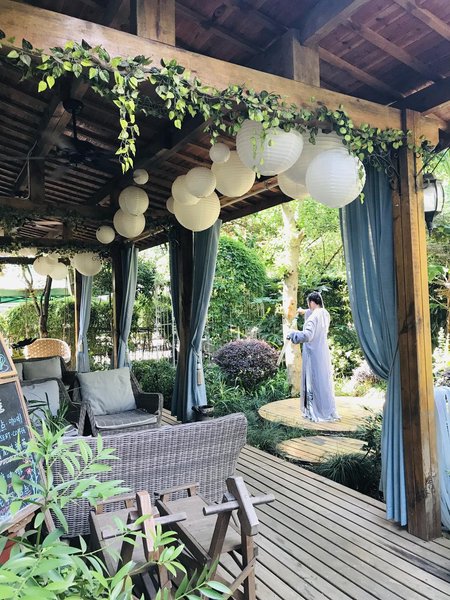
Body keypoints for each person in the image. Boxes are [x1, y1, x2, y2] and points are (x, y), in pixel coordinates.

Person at [287, 292, 339, 422]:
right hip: (322, 352)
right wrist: (303, 311)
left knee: (313, 381)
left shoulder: (313, 317)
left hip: (313, 354)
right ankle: (325, 409)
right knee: (323, 381)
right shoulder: (324, 314)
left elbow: (307, 336)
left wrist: (293, 334)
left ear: (311, 302)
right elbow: (312, 313)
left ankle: (315, 410)